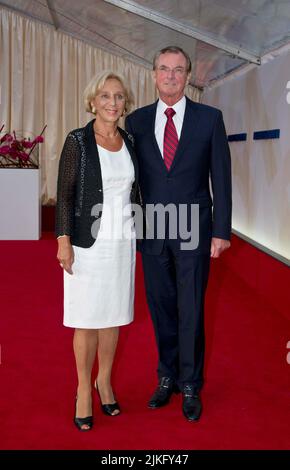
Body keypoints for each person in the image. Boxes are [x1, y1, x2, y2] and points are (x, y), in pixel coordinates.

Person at [125, 46, 232, 422]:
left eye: (178, 70)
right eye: (164, 69)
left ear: (188, 76)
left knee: (191, 309)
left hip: (194, 231)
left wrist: (221, 231)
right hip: (152, 230)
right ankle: (166, 377)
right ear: (153, 74)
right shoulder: (136, 122)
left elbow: (221, 176)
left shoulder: (209, 119)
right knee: (160, 308)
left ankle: (190, 384)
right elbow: (130, 180)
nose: (171, 76)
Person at [55, 71, 138, 431]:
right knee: (87, 318)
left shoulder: (130, 140)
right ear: (93, 101)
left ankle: (104, 381)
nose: (112, 102)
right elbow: (65, 192)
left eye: (118, 96)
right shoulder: (78, 140)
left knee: (113, 316)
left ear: (125, 104)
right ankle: (82, 389)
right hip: (88, 244)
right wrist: (63, 240)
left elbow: (137, 190)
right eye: (105, 96)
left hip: (123, 242)